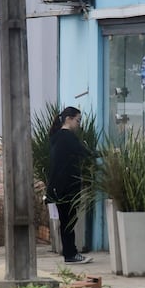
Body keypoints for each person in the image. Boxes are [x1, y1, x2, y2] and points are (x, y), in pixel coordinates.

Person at [46, 106, 93, 264]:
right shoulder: (67, 137)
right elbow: (85, 152)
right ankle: (70, 254)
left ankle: (70, 253)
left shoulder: (56, 137)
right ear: (69, 119)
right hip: (67, 187)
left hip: (57, 187)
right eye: (77, 120)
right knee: (69, 221)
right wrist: (108, 153)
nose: (79, 124)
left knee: (65, 220)